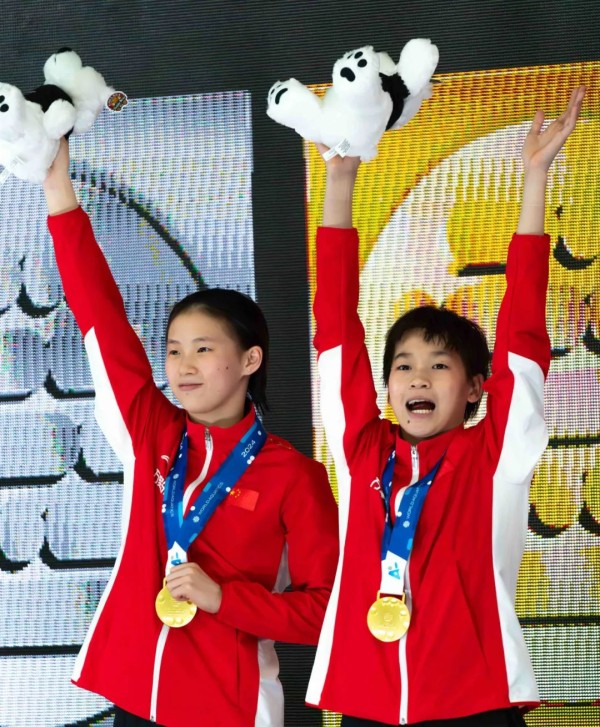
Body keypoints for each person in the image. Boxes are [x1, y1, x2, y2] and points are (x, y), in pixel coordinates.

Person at [306, 87, 586, 727]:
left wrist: (534, 183)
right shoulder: (362, 452)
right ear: (385, 387)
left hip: (475, 702)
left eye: (439, 365)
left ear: (476, 387)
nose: (418, 378)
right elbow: (336, 332)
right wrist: (340, 184)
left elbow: (522, 341)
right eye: (403, 366)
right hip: (366, 701)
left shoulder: (495, 456)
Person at [42, 138, 338, 727]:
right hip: (137, 696)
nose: (183, 365)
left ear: (250, 360)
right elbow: (100, 315)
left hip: (232, 707)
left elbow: (325, 611)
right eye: (174, 350)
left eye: (204, 349)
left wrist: (224, 599)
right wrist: (57, 189)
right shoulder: (150, 430)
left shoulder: (293, 475)